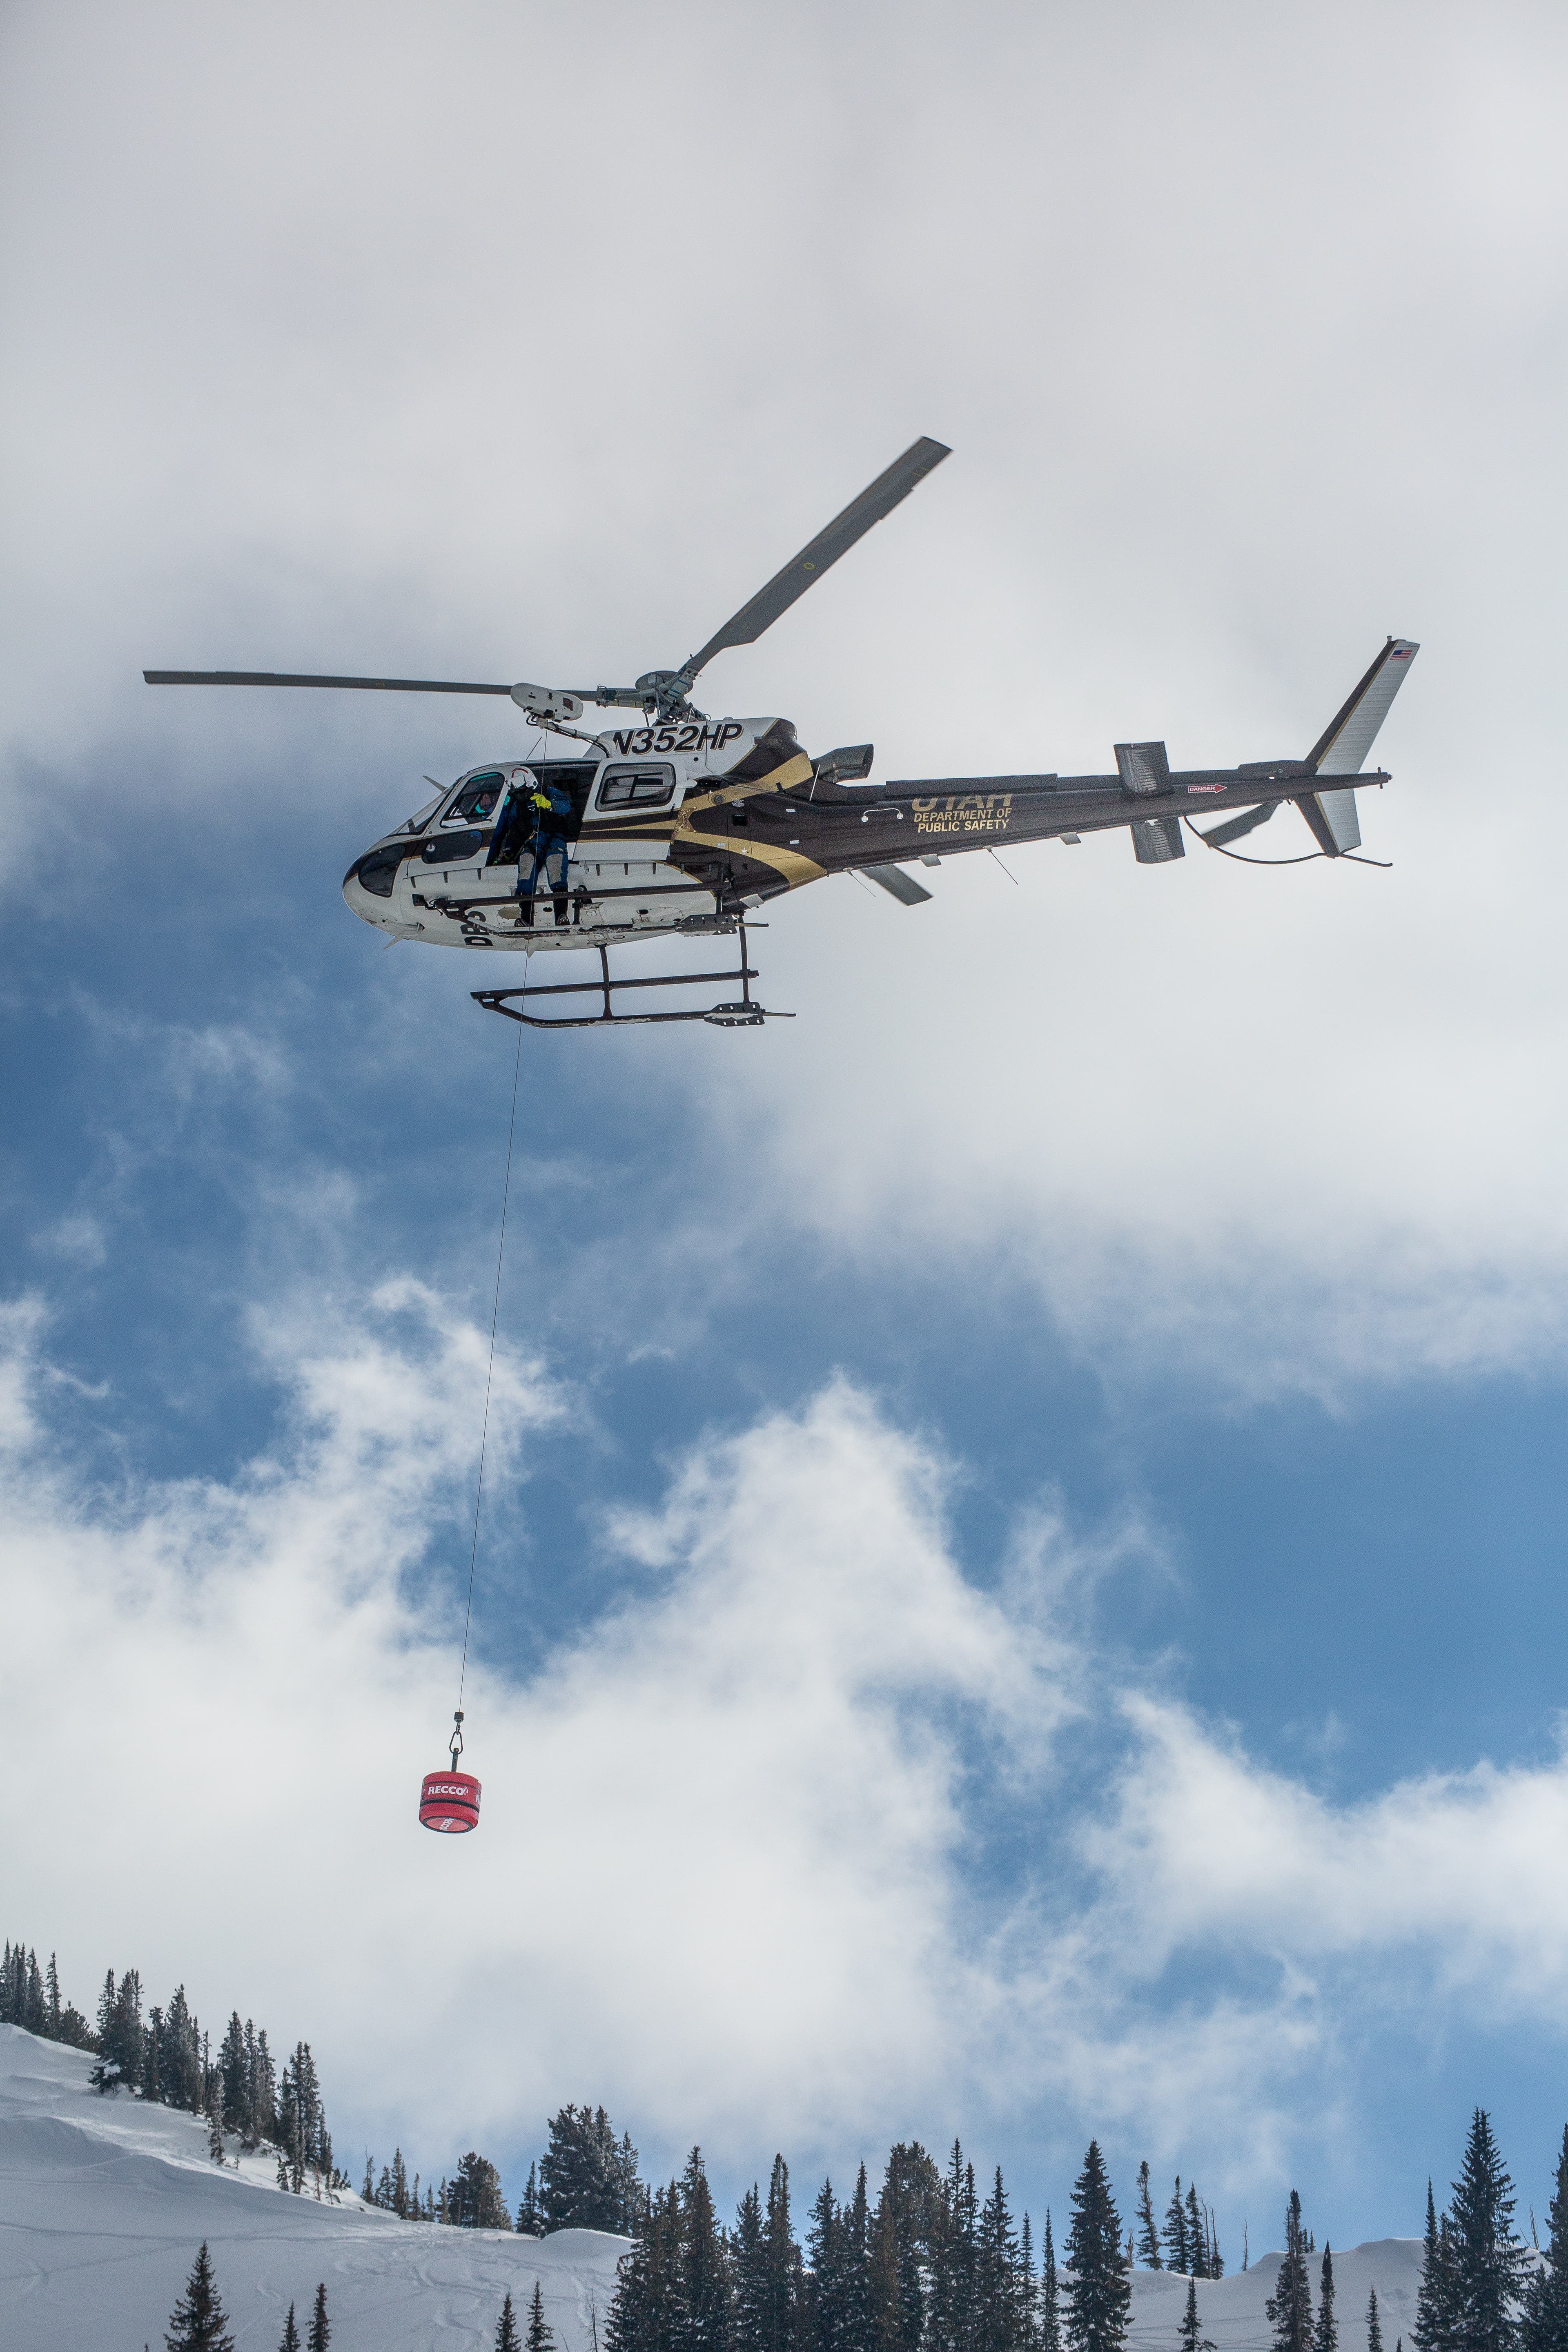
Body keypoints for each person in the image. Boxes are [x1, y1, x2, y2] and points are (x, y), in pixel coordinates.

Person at [518, 774, 576, 927]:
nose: (522, 792)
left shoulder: (549, 791)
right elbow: (514, 825)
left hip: (555, 836)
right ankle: (526, 918)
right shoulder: (520, 802)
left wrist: (549, 804)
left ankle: (561, 915)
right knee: (527, 867)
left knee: (555, 865)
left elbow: (566, 806)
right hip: (534, 840)